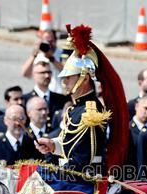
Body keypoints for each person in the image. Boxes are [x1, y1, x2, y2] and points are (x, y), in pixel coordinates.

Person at [34, 24, 126, 179]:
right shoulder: (76, 108)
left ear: (84, 78)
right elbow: (72, 146)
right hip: (72, 176)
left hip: (83, 182)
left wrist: (55, 174)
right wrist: (52, 145)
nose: (64, 82)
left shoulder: (91, 111)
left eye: (69, 78)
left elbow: (82, 157)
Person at [23, 56, 69, 128]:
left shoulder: (61, 99)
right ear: (34, 75)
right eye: (42, 72)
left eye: (49, 72)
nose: (47, 76)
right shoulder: (25, 100)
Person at [20, 29, 65, 94]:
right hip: (41, 93)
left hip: (58, 92)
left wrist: (51, 58)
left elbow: (65, 71)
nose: (48, 44)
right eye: (45, 41)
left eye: (50, 41)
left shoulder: (61, 54)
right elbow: (25, 73)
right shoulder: (38, 55)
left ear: (55, 40)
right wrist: (34, 55)